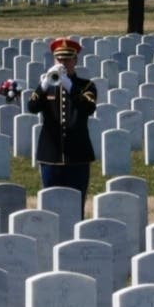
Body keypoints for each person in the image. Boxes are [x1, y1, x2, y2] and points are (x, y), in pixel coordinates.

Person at [28, 36, 98, 218]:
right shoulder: (47, 86)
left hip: (78, 156)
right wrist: (42, 86)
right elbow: (32, 107)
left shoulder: (86, 86)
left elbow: (88, 107)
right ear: (54, 60)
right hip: (51, 155)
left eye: (67, 59)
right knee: (51, 209)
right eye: (59, 59)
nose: (63, 63)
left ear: (75, 60)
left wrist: (68, 84)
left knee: (76, 208)